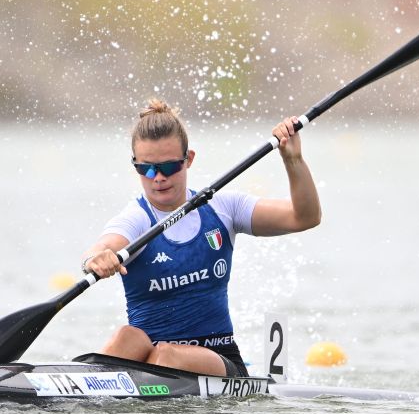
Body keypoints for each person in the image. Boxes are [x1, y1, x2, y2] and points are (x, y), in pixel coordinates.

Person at [80, 99, 321, 377]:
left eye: (169, 167)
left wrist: (293, 159)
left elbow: (304, 217)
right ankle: (85, 382)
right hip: (149, 361)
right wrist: (95, 259)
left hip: (219, 359)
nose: (158, 178)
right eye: (146, 169)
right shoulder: (136, 219)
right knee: (128, 337)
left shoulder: (223, 208)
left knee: (166, 354)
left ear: (189, 159)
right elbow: (105, 245)